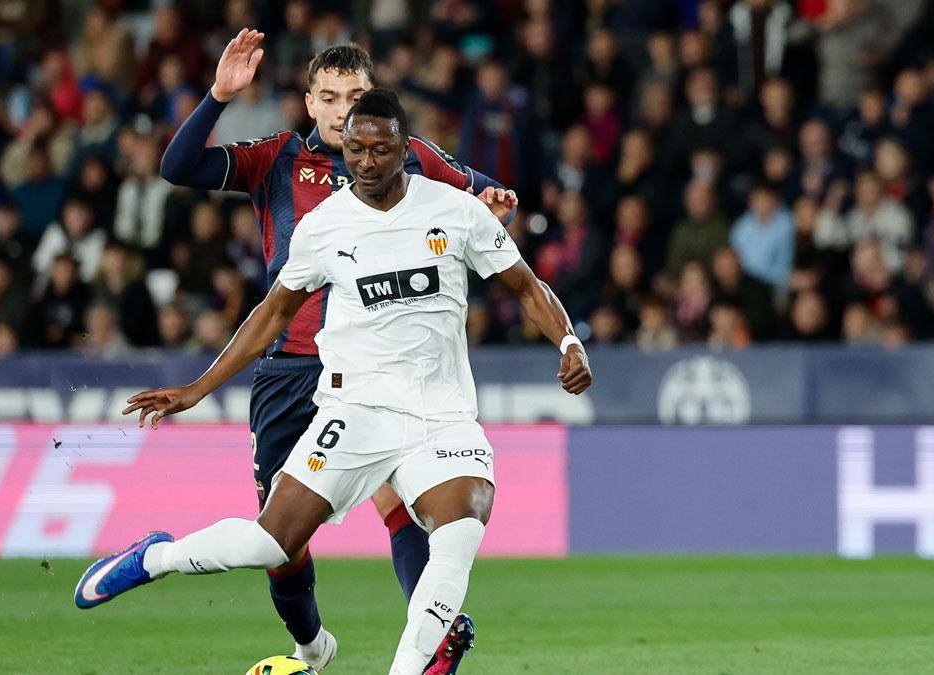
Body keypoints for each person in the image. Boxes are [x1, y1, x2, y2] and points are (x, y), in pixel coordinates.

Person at [74, 89, 592, 674]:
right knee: (272, 543)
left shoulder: (454, 209)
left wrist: (569, 340)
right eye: (355, 150)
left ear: (405, 149)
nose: (365, 162)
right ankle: (158, 558)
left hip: (442, 416)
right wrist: (198, 387)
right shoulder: (324, 226)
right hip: (357, 410)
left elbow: (526, 286)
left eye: (379, 149)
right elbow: (272, 312)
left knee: (461, 525)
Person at [138, 31, 516, 671]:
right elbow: (177, 168)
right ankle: (311, 650)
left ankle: (436, 635)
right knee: (279, 539)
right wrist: (217, 97)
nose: (345, 111)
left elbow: (488, 201)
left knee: (400, 503)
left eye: (358, 96)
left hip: (376, 370)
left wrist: (497, 201)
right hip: (288, 365)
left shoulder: (407, 157)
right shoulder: (277, 160)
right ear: (309, 104)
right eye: (331, 97)